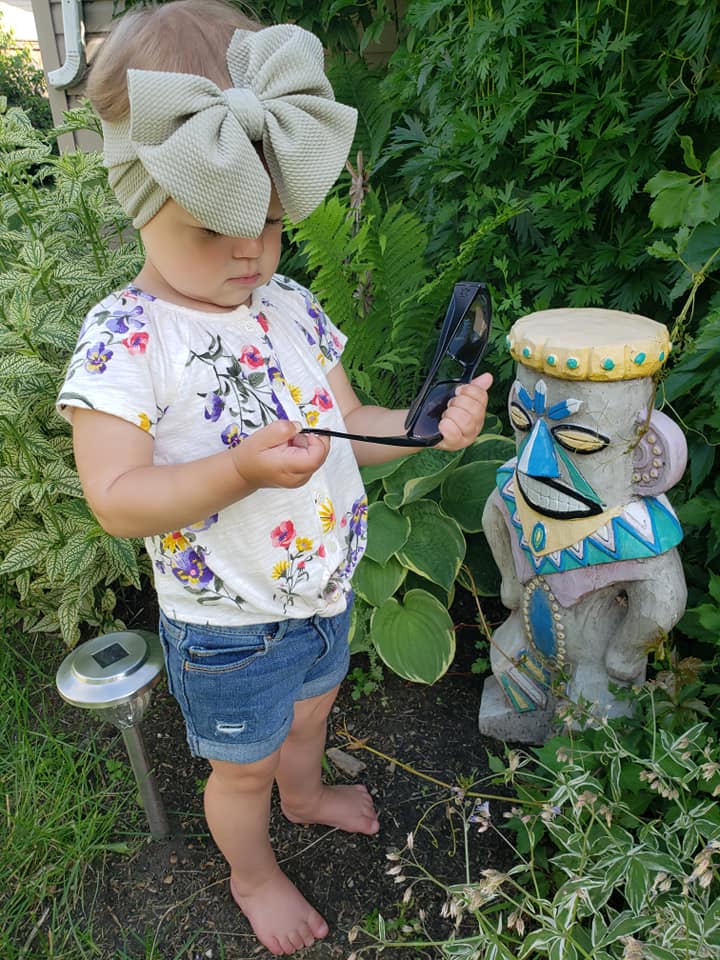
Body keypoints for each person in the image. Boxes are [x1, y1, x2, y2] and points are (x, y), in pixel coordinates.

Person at [56, 0, 493, 954]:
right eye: (213, 229)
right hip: (228, 626)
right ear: (143, 199)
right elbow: (117, 498)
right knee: (240, 768)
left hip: (321, 588)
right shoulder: (129, 340)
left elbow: (349, 430)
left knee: (312, 716)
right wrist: (238, 471)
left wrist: (425, 429)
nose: (248, 251)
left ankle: (307, 791)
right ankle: (253, 872)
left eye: (267, 223)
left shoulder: (287, 303)